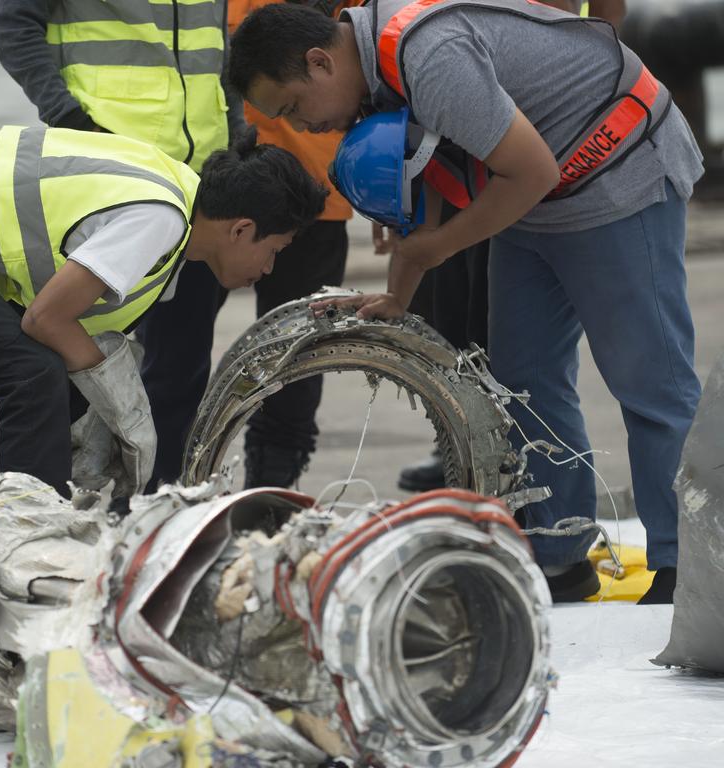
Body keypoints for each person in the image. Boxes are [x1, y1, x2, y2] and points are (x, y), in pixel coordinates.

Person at [228, 0, 703, 604]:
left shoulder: (431, 59)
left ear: (320, 61)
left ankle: (688, 567)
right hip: (534, 202)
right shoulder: (368, 72)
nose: (307, 129)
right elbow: (424, 193)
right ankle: (558, 554)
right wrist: (397, 297)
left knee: (650, 381)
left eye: (294, 108)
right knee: (522, 379)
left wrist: (437, 249)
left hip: (615, 173)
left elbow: (526, 172)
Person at [0, 124, 326, 501]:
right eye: (276, 250)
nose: (269, 267)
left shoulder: (180, 194)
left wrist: (93, 396)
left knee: (57, 384)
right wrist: (119, 406)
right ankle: (30, 542)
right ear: (242, 229)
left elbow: (63, 325)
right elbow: (45, 320)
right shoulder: (158, 219)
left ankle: (55, 516)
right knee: (31, 375)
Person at [0, 1, 242, 490]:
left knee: (180, 368)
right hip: (107, 180)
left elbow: (217, 45)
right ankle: (56, 505)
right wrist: (69, 117)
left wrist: (235, 133)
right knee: (74, 358)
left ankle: (154, 506)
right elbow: (15, 25)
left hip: (201, 180)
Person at [396, 0, 628, 494]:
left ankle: (511, 480)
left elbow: (610, 13)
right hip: (460, 140)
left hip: (541, 141)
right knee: (457, 328)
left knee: (524, 361)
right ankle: (465, 454)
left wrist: (589, 86)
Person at [228, 0, 354, 490]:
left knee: (297, 356)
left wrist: (391, 180)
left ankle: (271, 496)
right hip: (211, 185)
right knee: (174, 359)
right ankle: (166, 491)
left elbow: (363, 59)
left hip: (315, 191)